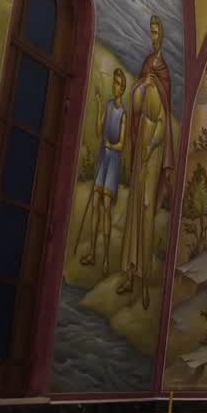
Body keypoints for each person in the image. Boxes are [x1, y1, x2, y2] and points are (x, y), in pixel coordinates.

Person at [118, 16, 174, 309]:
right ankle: (129, 272)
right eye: (150, 31)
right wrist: (142, 85)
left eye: (156, 31)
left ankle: (145, 280)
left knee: (147, 209)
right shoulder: (147, 70)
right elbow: (137, 106)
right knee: (134, 211)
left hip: (152, 149)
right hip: (142, 147)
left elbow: (163, 116)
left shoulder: (163, 73)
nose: (153, 36)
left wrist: (153, 145)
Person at [81, 67, 126, 275]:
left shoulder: (122, 113)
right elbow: (99, 129)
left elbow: (121, 144)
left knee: (107, 208)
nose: (114, 86)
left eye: (117, 83)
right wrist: (99, 105)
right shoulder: (108, 106)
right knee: (96, 205)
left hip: (113, 162)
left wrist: (111, 145)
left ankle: (106, 258)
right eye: (114, 83)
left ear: (122, 88)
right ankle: (92, 252)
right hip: (103, 159)